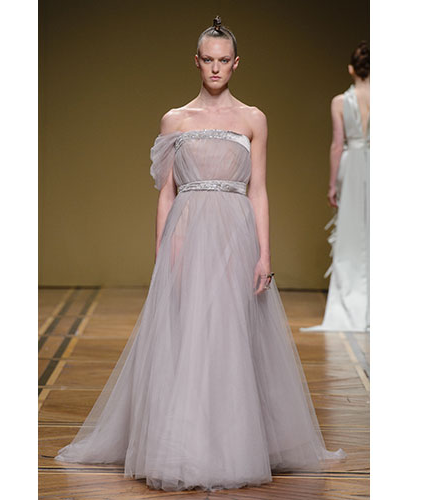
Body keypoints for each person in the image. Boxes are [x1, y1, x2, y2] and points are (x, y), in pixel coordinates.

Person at [55, 16, 345, 491]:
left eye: (223, 61)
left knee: (232, 337)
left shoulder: (253, 119)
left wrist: (265, 255)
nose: (215, 68)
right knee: (189, 335)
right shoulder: (175, 120)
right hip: (187, 234)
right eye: (207, 60)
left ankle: (232, 443)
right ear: (196, 61)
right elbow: (166, 194)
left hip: (236, 235)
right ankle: (186, 446)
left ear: (236, 63)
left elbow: (259, 190)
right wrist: (161, 254)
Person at [302, 41, 370, 334]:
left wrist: (332, 185)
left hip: (352, 167)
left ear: (351, 69)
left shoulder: (340, 102)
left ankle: (350, 305)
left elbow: (336, 145)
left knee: (352, 236)